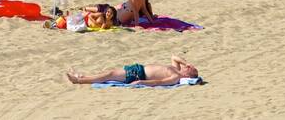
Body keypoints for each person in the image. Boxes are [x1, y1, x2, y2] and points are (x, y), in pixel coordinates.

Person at [67, 56, 199, 86]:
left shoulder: (176, 77)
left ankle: (78, 80)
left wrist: (141, 82)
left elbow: (159, 82)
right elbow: (174, 56)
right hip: (138, 68)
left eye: (190, 68)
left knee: (109, 75)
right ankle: (83, 76)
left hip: (138, 75)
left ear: (189, 75)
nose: (187, 67)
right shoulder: (176, 68)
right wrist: (186, 62)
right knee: (109, 72)